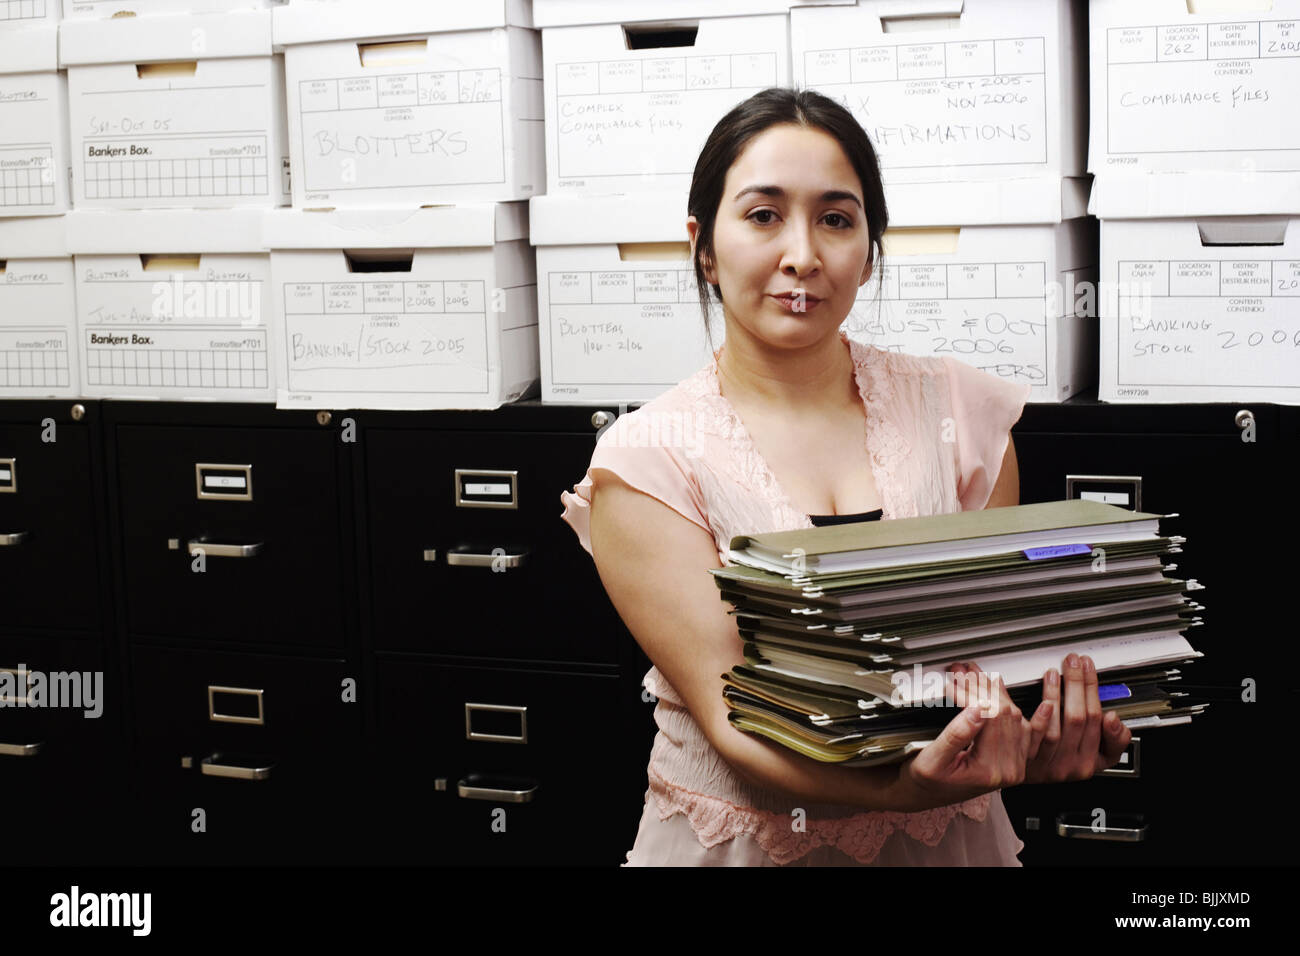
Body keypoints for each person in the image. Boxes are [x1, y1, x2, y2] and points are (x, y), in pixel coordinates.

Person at [559, 88, 1132, 866]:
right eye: (763, 216)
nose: (803, 254)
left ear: (869, 248)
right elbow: (735, 723)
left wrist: (1034, 743)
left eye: (836, 218)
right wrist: (904, 790)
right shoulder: (647, 459)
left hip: (950, 843)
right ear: (703, 246)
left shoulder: (963, 414)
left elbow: (985, 672)